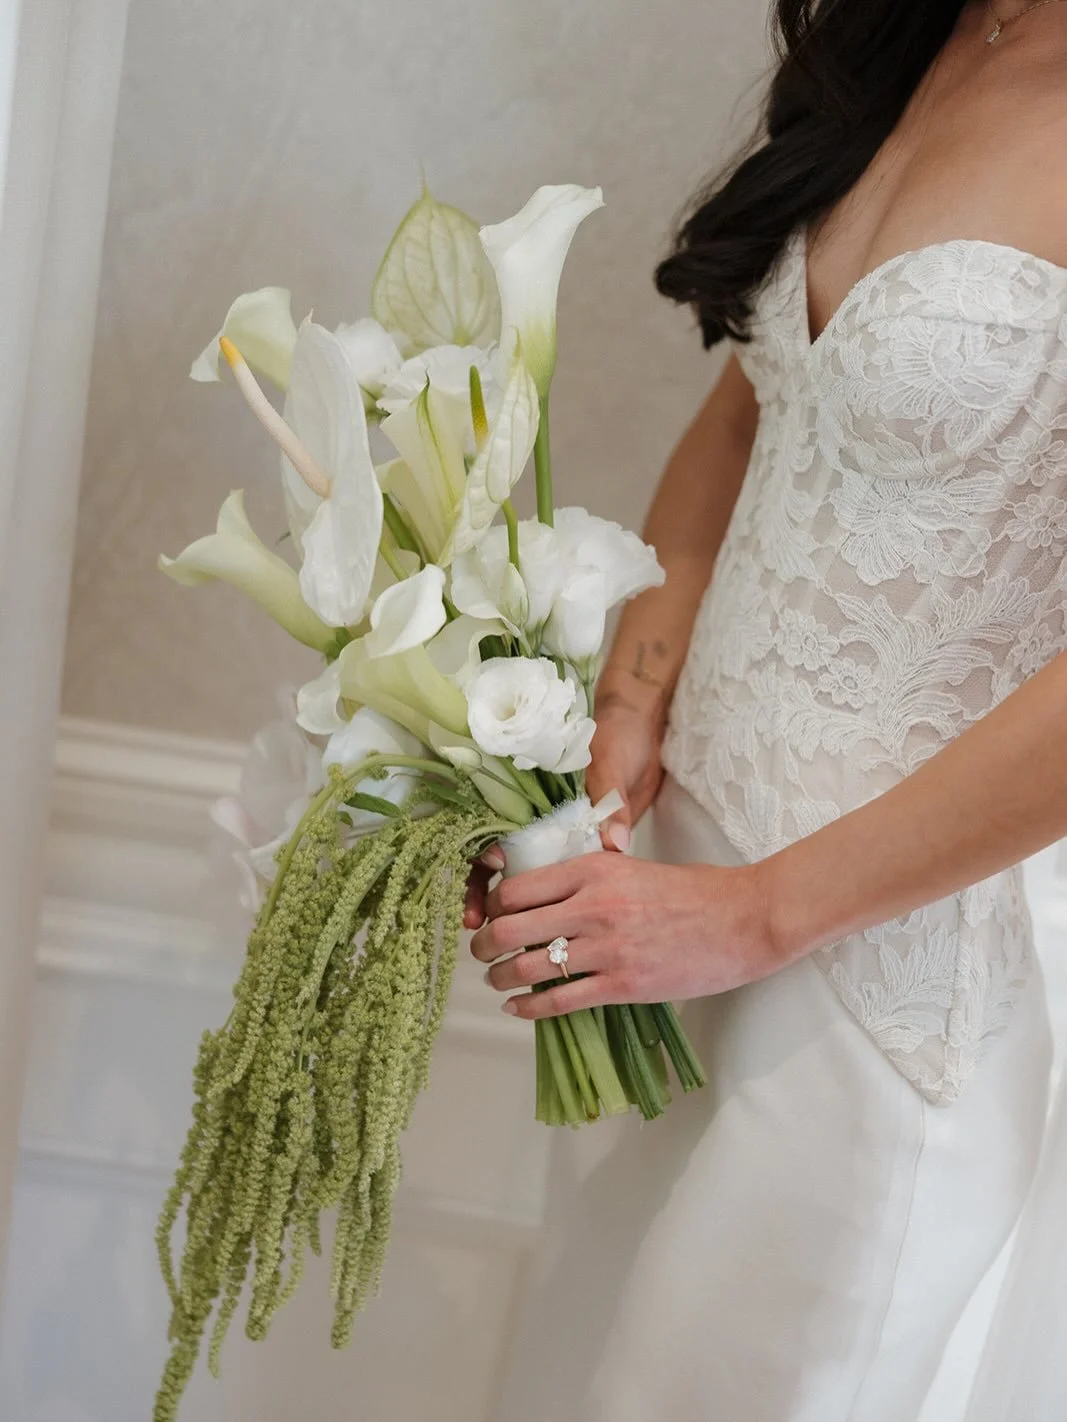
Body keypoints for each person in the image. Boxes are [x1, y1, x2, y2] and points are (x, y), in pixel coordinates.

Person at [464, 2, 1067, 1418]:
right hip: (678, 907)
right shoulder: (924, 33)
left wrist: (760, 911)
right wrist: (626, 714)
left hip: (887, 983)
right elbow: (757, 404)